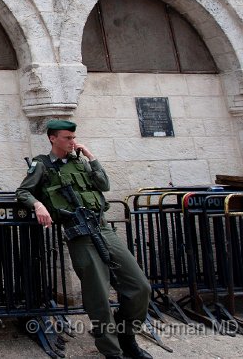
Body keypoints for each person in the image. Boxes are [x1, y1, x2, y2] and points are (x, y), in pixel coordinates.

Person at [15, 120, 152, 359]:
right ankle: (112, 351)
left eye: (73, 137)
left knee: (140, 286)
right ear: (52, 138)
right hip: (79, 234)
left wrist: (90, 156)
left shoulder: (81, 162)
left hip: (103, 228)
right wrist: (38, 205)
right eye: (67, 138)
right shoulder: (42, 165)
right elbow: (22, 191)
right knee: (98, 294)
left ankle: (126, 334)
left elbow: (104, 185)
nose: (72, 142)